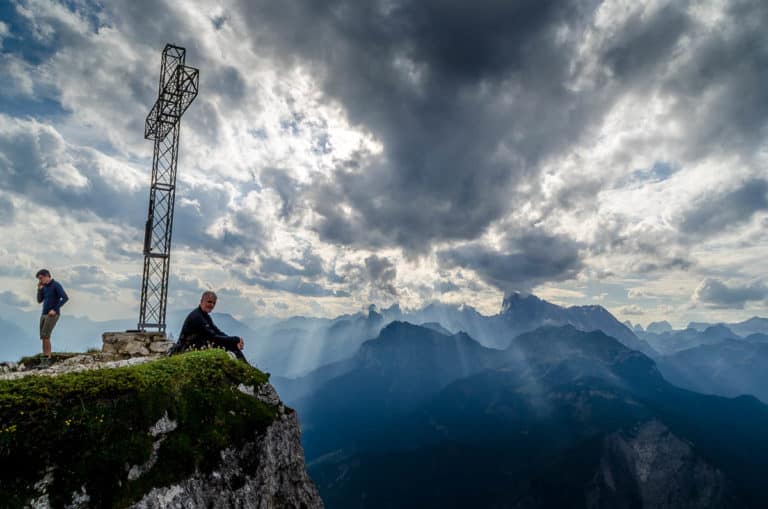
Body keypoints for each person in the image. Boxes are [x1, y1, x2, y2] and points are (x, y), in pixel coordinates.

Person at [173, 291, 249, 363]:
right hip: (187, 349)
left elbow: (217, 331)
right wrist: (235, 339)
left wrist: (235, 340)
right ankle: (246, 369)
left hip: (198, 345)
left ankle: (246, 368)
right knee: (231, 346)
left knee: (231, 345)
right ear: (201, 301)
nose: (211, 305)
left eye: (214, 303)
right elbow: (213, 338)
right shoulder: (197, 317)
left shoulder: (204, 315)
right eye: (209, 302)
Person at [36, 269, 69, 359]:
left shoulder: (56, 285)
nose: (40, 280)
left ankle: (48, 358)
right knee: (43, 336)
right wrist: (39, 290)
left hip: (52, 314)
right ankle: (45, 357)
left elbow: (65, 298)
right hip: (44, 314)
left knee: (46, 336)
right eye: (39, 279)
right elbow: (39, 301)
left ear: (47, 276)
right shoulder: (44, 287)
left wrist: (55, 309)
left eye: (41, 278)